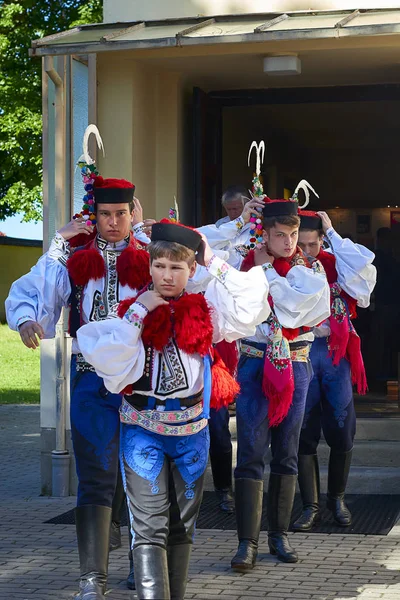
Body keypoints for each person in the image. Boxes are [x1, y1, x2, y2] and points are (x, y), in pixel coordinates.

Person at [76, 219, 272, 600]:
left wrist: (213, 260)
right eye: (160, 266)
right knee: (149, 527)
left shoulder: (207, 308)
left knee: (183, 526)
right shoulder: (129, 310)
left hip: (190, 433)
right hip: (141, 429)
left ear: (191, 269)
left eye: (176, 267)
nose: (167, 276)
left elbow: (252, 304)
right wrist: (139, 313)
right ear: (149, 266)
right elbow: (109, 358)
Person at [6, 156, 152, 598]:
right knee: (95, 473)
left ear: (132, 213)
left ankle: (138, 567)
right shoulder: (76, 256)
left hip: (139, 381)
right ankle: (92, 579)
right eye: (105, 215)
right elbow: (35, 290)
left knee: (139, 474)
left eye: (121, 214)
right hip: (89, 380)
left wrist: (145, 235)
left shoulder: (150, 255)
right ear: (95, 215)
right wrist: (29, 318)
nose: (112, 222)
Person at [229, 192, 331, 570]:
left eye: (293, 234)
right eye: (280, 234)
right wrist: (241, 226)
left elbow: (292, 311)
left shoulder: (309, 271)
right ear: (265, 235)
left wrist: (266, 271)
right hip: (255, 364)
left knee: (287, 450)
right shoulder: (243, 266)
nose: (288, 242)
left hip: (297, 365)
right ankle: (247, 543)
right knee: (252, 450)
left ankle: (279, 535)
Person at [293, 210, 376, 531]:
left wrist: (333, 233)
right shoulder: (286, 266)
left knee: (342, 427)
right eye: (301, 244)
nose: (306, 251)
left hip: (336, 353)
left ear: (322, 241)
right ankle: (309, 505)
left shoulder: (336, 262)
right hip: (301, 352)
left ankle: (337, 498)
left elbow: (364, 271)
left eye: (312, 244)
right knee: (302, 430)